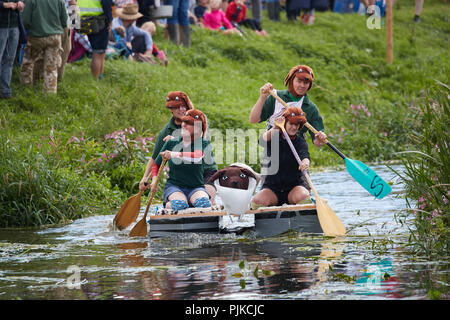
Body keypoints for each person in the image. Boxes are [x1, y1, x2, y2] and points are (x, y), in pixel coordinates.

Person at [139, 91, 218, 205]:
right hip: (181, 177)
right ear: (171, 109)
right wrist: (146, 177)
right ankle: (172, 204)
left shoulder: (198, 119)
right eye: (177, 107)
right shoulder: (166, 132)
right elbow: (156, 157)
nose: (181, 109)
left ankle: (209, 217)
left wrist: (175, 145)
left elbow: (199, 142)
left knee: (205, 201)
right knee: (181, 204)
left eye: (183, 106)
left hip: (205, 171)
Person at [249, 64, 328, 147]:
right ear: (292, 80)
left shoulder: (311, 108)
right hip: (272, 147)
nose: (302, 86)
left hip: (296, 151)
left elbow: (317, 143)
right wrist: (262, 98)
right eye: (299, 81)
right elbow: (253, 120)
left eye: (306, 83)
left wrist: (320, 139)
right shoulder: (276, 97)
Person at [152, 109, 213, 211]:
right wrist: (154, 180)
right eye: (184, 121)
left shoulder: (203, 143)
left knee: (204, 203)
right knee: (179, 205)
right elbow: (156, 165)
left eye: (189, 123)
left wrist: (174, 154)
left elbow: (197, 156)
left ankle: (191, 203)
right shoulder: (171, 142)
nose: (184, 125)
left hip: (196, 187)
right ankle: (168, 206)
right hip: (174, 187)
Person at [251, 107, 311, 208]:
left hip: (293, 188)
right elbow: (261, 141)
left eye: (297, 125)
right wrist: (275, 127)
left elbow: (305, 155)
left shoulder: (300, 141)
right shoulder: (274, 136)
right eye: (291, 124)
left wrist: (305, 163)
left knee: (304, 197)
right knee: (257, 202)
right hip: (272, 188)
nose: (294, 127)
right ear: (285, 123)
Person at [20, 0, 68, 94]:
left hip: (36, 36)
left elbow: (25, 20)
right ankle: (49, 93)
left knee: (28, 62)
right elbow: (64, 21)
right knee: (51, 67)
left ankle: (25, 88)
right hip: (55, 37)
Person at [78, 0, 113, 79]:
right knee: (98, 52)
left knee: (99, 51)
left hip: (84, 20)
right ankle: (96, 79)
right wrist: (110, 19)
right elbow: (106, 3)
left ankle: (100, 75)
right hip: (98, 21)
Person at [0, 0, 24, 99]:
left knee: (10, 60)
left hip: (14, 26)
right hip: (1, 26)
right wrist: (4, 4)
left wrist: (21, 3)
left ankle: (5, 91)